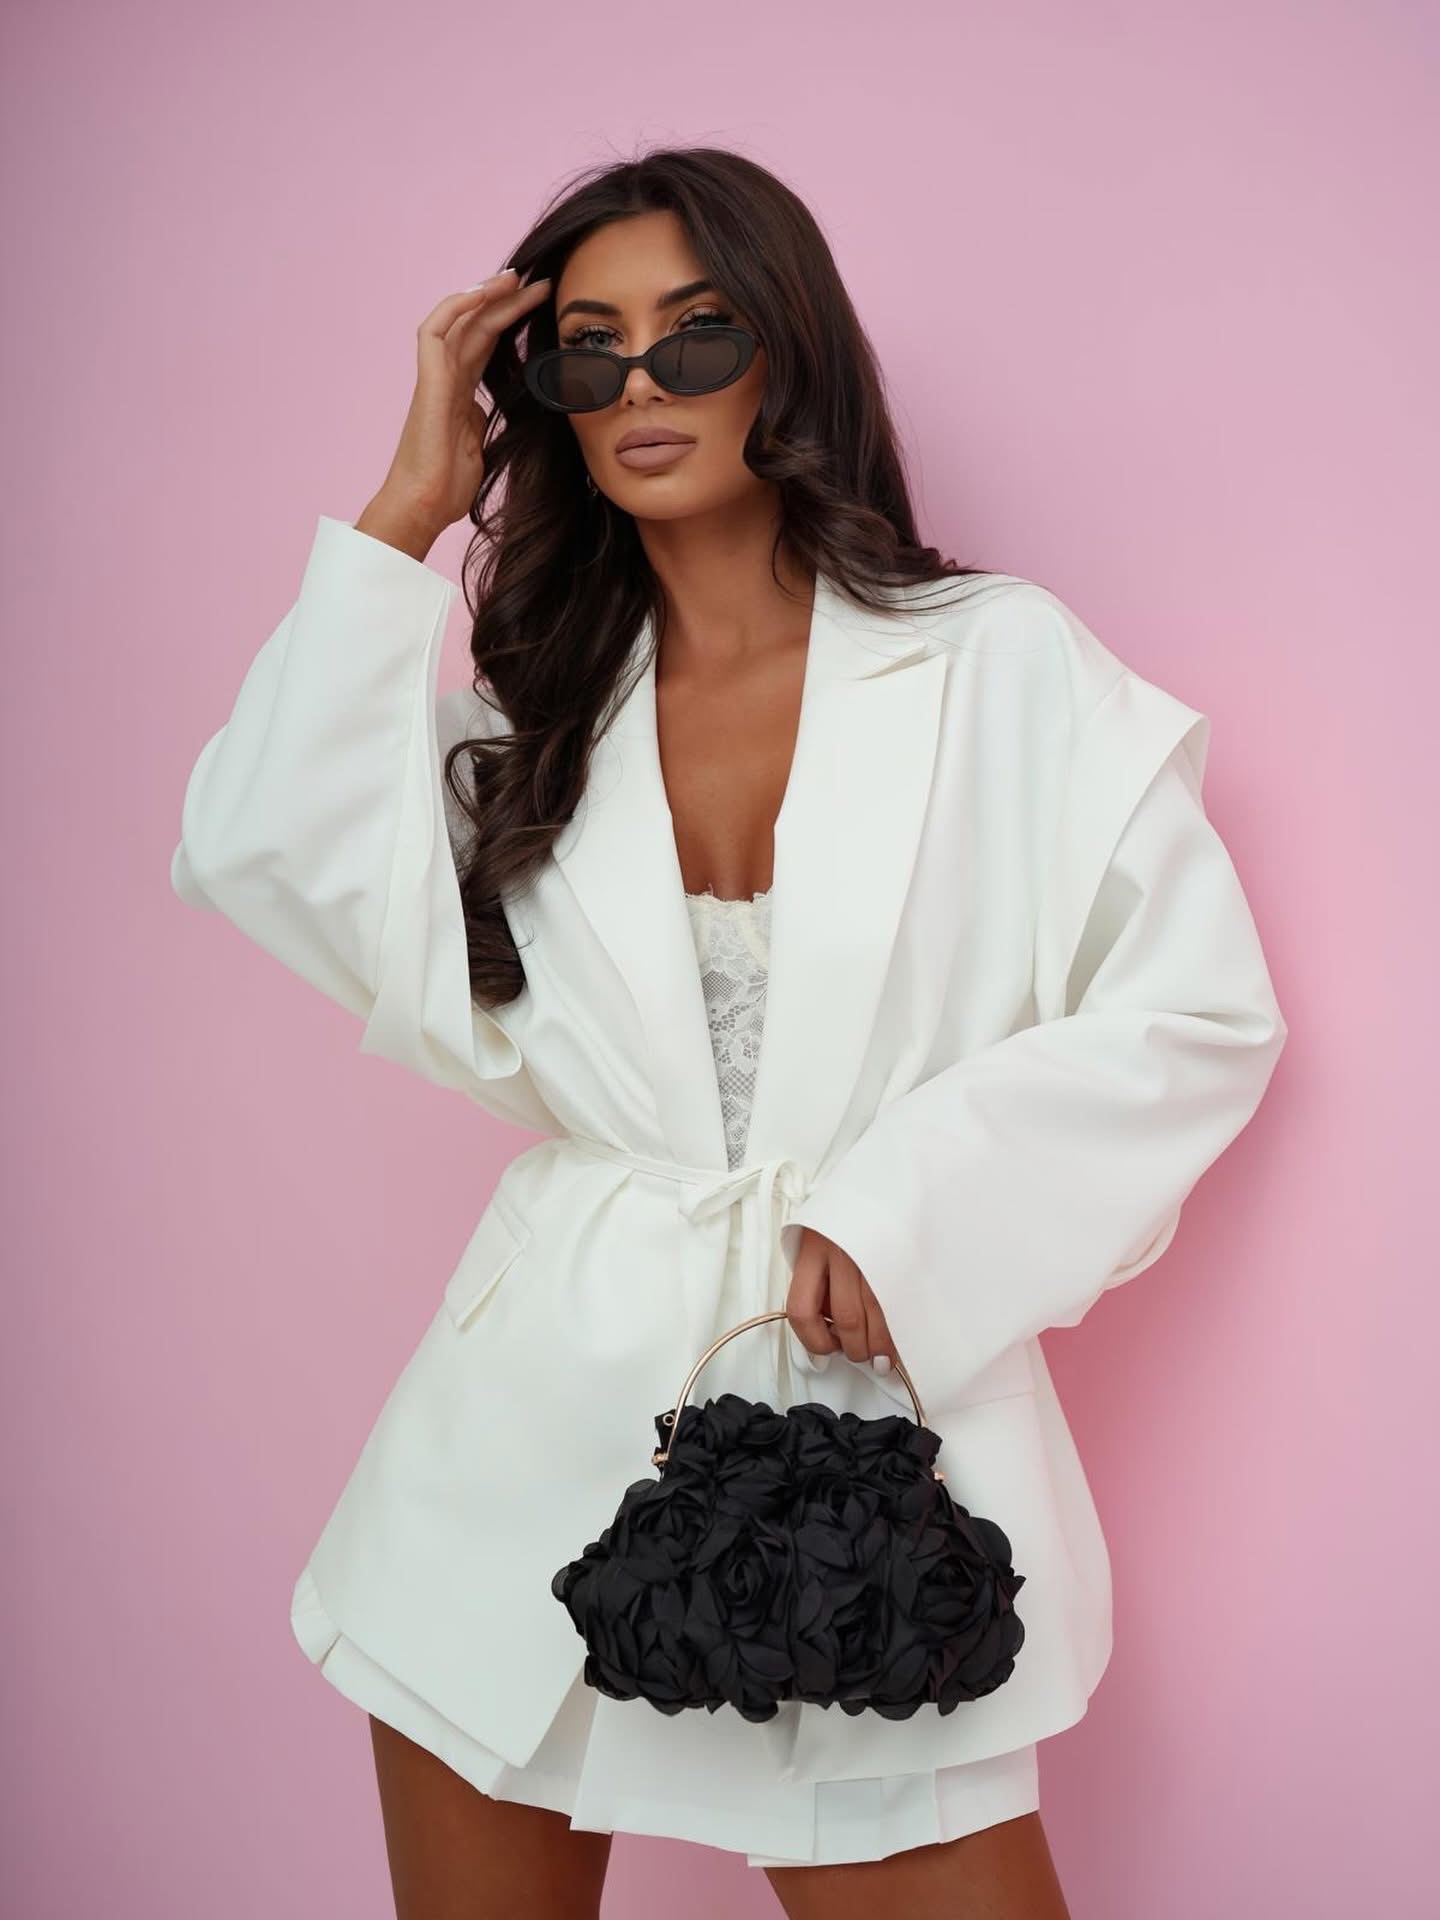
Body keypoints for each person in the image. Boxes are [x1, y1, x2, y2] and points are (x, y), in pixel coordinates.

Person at [170, 146, 1287, 1919]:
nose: (640, 385)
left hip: (859, 1459)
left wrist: (911, 1205)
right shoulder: (531, 716)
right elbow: (261, 850)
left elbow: (1196, 1007)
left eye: (695, 337)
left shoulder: (998, 665)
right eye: (587, 351)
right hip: (516, 1453)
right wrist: (403, 515)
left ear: (786, 355)